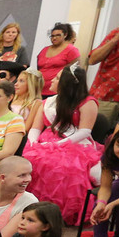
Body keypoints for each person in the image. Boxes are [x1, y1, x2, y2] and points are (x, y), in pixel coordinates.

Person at [22, 65, 101, 225]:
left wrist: (59, 145)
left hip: (75, 143)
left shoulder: (88, 102)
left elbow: (85, 131)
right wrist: (32, 144)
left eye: (57, 78)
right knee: (32, 162)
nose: (52, 80)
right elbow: (36, 128)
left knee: (63, 168)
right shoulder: (48, 102)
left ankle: (58, 213)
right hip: (46, 141)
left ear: (68, 83)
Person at [36, 23, 80, 96]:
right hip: (39, 90)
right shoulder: (44, 50)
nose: (54, 38)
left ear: (65, 35)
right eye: (52, 36)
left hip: (57, 92)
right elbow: (39, 69)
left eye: (58, 35)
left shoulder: (71, 50)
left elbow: (76, 71)